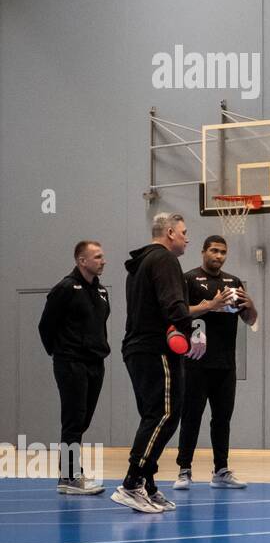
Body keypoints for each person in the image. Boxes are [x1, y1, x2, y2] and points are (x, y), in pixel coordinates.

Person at [112, 213, 204, 513]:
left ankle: (148, 486)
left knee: (154, 415)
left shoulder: (139, 265)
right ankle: (132, 482)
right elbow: (174, 305)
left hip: (137, 349)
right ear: (169, 233)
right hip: (156, 349)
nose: (187, 238)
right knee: (164, 415)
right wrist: (191, 332)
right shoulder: (164, 260)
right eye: (184, 232)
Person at [173, 235, 257, 490]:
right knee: (191, 417)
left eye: (222, 252)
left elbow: (251, 320)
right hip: (195, 362)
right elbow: (180, 312)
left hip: (225, 365)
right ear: (203, 252)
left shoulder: (233, 283)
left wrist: (251, 305)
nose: (218, 256)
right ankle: (184, 470)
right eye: (213, 251)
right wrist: (211, 305)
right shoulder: (188, 279)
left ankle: (221, 470)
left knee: (222, 418)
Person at [39, 240, 110, 495]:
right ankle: (68, 477)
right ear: (82, 261)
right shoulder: (66, 288)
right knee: (73, 419)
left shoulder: (101, 291)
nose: (103, 261)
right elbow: (45, 326)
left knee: (83, 420)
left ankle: (71, 472)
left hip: (95, 363)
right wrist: (61, 353)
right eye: (98, 257)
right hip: (70, 363)